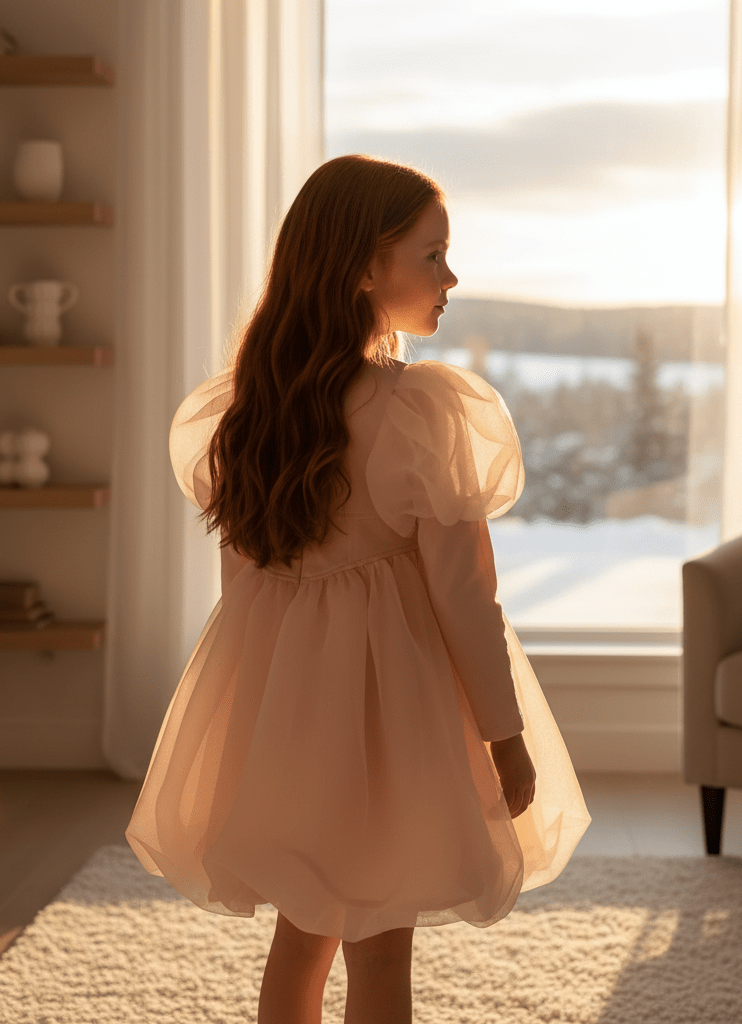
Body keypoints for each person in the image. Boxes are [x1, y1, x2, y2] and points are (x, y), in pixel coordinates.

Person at [125, 154, 591, 1024]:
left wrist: (247, 727)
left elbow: (244, 592)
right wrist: (505, 735)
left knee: (302, 935)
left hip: (287, 713)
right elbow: (465, 596)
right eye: (433, 255)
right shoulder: (419, 412)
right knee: (380, 948)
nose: (451, 277)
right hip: (392, 712)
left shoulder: (250, 410)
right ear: (367, 268)